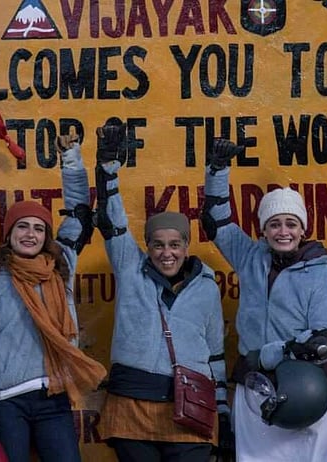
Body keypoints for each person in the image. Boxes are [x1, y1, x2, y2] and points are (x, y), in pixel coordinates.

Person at [0, 134, 107, 462]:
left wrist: (71, 160)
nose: (30, 234)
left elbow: (79, 214)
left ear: (46, 236)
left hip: (53, 396)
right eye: (22, 227)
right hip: (6, 401)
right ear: (9, 234)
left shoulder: (59, 266)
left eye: (39, 228)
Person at [92, 121, 231, 462]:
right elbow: (112, 222)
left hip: (190, 408)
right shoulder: (130, 268)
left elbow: (214, 353)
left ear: (186, 246)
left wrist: (222, 410)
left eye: (174, 244)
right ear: (147, 247)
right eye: (158, 244)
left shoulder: (206, 287)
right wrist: (107, 166)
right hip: (132, 407)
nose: (166, 253)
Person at [201, 139, 327, 462]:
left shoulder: (321, 272)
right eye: (274, 224)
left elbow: (324, 339)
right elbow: (215, 221)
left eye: (291, 224)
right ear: (263, 230)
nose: (283, 232)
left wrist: (268, 354)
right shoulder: (250, 257)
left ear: (302, 229)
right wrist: (217, 171)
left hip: (305, 390)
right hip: (256, 389)